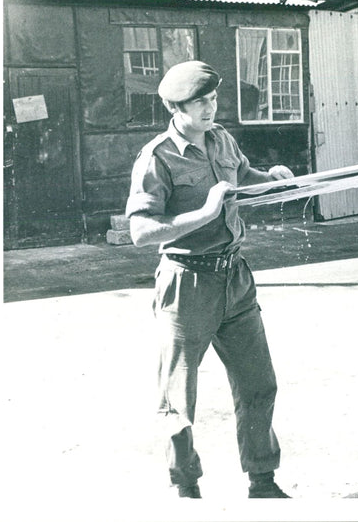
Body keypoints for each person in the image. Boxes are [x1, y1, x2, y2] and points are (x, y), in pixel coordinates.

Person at [125, 61, 294, 499]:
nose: (209, 108)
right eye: (198, 102)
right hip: (187, 285)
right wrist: (204, 213)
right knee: (178, 400)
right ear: (173, 106)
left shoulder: (221, 138)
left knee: (259, 383)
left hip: (234, 277)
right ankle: (187, 490)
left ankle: (263, 482)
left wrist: (271, 181)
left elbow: (243, 180)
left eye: (213, 98)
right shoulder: (157, 157)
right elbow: (141, 231)